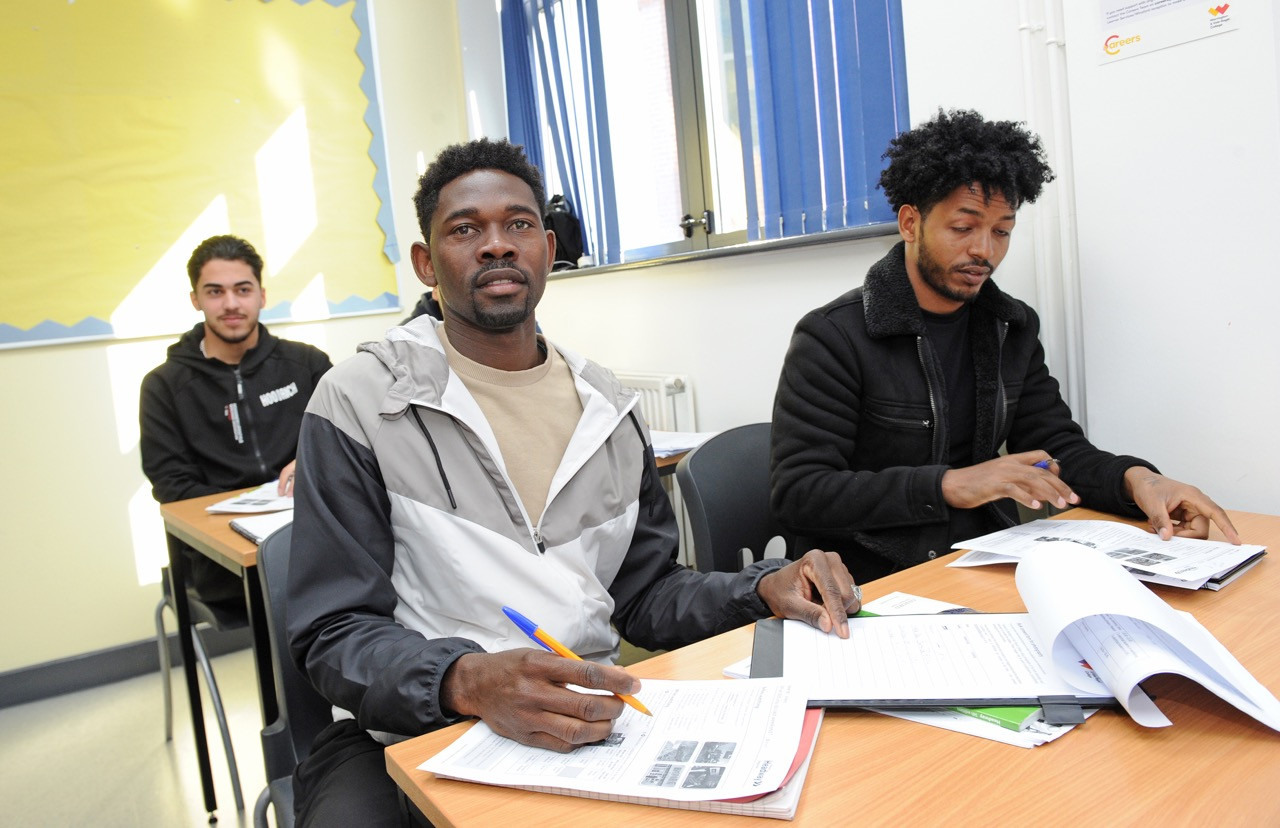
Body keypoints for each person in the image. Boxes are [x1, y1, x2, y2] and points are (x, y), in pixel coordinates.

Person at [286, 138, 859, 827]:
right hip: (413, 727)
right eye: (466, 229)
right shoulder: (358, 400)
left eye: (519, 225)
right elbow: (333, 632)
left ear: (549, 248)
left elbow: (645, 596)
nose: (497, 246)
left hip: (588, 722)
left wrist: (760, 585)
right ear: (425, 262)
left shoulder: (606, 407)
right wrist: (464, 680)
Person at [769, 109, 1240, 584]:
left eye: (1001, 231)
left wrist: (1137, 480)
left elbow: (1055, 449)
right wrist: (952, 485)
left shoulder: (1010, 326)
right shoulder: (833, 336)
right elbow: (800, 492)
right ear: (910, 223)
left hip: (984, 562)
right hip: (873, 578)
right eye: (963, 227)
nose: (985, 251)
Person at [140, 234, 332, 603]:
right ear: (195, 300)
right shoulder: (164, 385)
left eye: (242, 290)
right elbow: (171, 485)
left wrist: (307, 461)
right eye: (215, 292)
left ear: (261, 295)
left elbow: (350, 443)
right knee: (295, 590)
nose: (231, 304)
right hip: (223, 557)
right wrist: (248, 510)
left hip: (311, 530)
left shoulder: (308, 365)